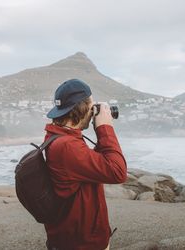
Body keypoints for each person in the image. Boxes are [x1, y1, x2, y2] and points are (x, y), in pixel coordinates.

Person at [44, 79, 127, 250]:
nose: (93, 111)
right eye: (92, 106)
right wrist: (104, 127)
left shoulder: (60, 137)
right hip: (82, 243)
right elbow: (117, 172)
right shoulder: (67, 145)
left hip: (74, 239)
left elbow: (92, 164)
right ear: (82, 108)